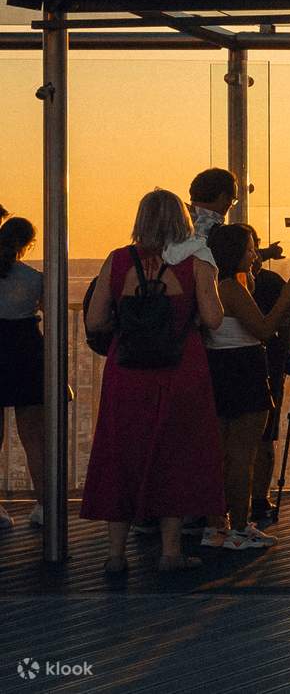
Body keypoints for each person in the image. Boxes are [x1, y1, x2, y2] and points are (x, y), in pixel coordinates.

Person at [81, 189, 226, 572]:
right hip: (181, 368)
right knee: (174, 454)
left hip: (127, 370)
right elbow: (213, 320)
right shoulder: (196, 262)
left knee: (121, 452)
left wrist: (130, 323)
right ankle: (171, 552)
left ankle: (115, 555)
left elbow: (95, 321)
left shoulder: (116, 261)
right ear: (183, 220)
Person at [202, 224, 290, 549]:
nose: (255, 254)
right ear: (235, 253)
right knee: (243, 454)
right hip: (243, 369)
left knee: (219, 453)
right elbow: (263, 329)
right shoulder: (232, 287)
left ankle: (217, 525)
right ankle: (240, 527)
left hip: (218, 368)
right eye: (249, 249)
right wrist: (286, 297)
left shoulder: (212, 283)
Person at [247, 226, 290, 527]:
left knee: (243, 438)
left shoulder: (225, 283)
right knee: (266, 436)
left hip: (251, 365)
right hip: (271, 364)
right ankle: (259, 499)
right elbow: (289, 318)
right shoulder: (270, 282)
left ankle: (239, 500)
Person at [0, 216, 46, 530]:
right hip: (26, 353)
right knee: (33, 437)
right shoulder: (34, 278)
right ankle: (44, 505)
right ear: (27, 245)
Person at [164, 167, 237, 268]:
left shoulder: (168, 222)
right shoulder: (222, 234)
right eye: (233, 200)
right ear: (223, 198)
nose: (231, 206)